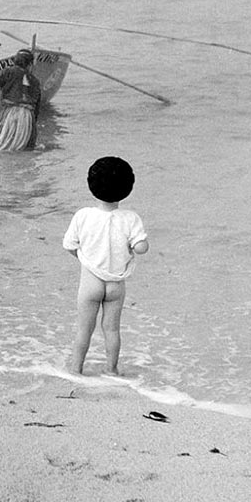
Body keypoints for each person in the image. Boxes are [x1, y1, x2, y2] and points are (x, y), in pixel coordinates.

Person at [62, 157, 149, 376]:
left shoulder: (83, 216)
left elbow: (69, 245)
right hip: (115, 285)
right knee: (111, 329)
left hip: (90, 282)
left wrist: (86, 260)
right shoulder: (130, 218)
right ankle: (111, 369)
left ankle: (76, 368)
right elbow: (140, 247)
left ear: (91, 186)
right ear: (128, 188)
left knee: (84, 329)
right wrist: (139, 245)